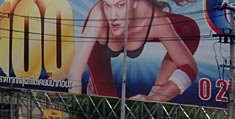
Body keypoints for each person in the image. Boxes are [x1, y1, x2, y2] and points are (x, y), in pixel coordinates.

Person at [68, 0, 200, 101]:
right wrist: (74, 108)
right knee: (107, 102)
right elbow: (75, 73)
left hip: (143, 23)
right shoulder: (98, 16)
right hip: (98, 46)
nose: (113, 16)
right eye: (107, 5)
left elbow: (190, 67)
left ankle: (156, 91)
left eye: (121, 5)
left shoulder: (155, 20)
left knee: (189, 29)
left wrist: (156, 97)